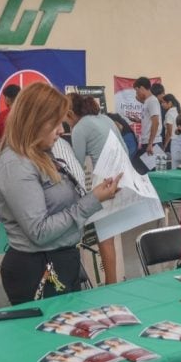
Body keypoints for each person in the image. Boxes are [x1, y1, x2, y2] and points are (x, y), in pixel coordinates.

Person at [0, 83, 122, 305]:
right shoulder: (15, 165)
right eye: (55, 124)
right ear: (35, 122)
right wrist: (92, 200)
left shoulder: (43, 155)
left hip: (61, 261)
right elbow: (39, 231)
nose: (62, 131)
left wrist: (96, 195)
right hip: (37, 269)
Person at [66, 93, 127, 285]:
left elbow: (75, 164)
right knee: (110, 234)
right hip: (120, 178)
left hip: (104, 183)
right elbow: (124, 148)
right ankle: (113, 281)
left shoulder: (79, 128)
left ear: (69, 113)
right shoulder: (105, 119)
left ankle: (110, 285)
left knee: (105, 237)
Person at [133, 77, 162, 156]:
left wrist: (150, 144)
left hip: (153, 143)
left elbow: (156, 122)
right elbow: (149, 120)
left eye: (136, 91)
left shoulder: (152, 101)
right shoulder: (147, 101)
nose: (137, 94)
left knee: (149, 168)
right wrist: (138, 120)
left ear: (141, 88)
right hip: (147, 141)